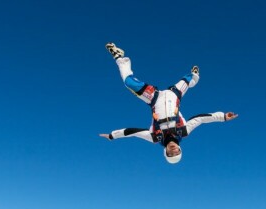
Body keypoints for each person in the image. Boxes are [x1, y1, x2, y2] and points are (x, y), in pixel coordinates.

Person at [100, 42, 238, 164]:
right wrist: (223, 117)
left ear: (165, 151)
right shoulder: (184, 131)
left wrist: (113, 135)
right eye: (176, 153)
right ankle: (195, 76)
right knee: (189, 79)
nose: (173, 151)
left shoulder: (154, 137)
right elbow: (200, 119)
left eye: (170, 154)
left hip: (153, 98)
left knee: (128, 83)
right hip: (175, 95)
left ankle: (119, 56)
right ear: (180, 149)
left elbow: (133, 132)